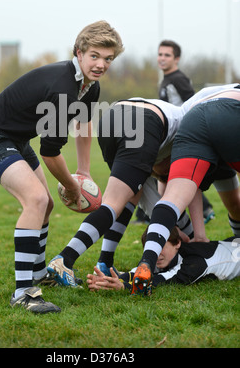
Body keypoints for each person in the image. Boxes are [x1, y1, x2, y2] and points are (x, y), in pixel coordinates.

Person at [0, 20, 124, 313]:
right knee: (37, 199)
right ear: (79, 52)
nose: (101, 64)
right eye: (94, 55)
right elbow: (51, 152)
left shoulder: (90, 87)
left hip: (18, 140)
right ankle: (22, 292)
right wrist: (72, 186)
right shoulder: (63, 87)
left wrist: (84, 173)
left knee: (48, 205)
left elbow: (83, 125)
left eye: (108, 59)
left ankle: (41, 273)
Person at [47, 84, 240, 287]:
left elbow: (156, 205)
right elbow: (187, 191)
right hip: (145, 122)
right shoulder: (189, 125)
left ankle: (104, 261)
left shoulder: (193, 115)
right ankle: (65, 259)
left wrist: (183, 234)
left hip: (112, 118)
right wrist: (195, 236)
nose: (162, 176)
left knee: (127, 197)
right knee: (115, 202)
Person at [132, 84, 240, 296]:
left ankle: (147, 261)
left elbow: (180, 188)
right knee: (233, 201)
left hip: (195, 119)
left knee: (173, 197)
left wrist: (199, 236)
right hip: (228, 114)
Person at [134, 39, 214, 224]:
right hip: (170, 134)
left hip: (179, 135)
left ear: (176, 59)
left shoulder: (178, 79)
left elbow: (193, 104)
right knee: (165, 174)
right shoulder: (167, 79)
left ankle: (153, 216)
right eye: (160, 54)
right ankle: (154, 216)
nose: (162, 58)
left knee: (163, 172)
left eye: (167, 55)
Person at [86, 227, 240, 293]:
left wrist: (124, 287)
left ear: (178, 243)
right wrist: (108, 279)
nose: (156, 254)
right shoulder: (166, 256)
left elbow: (164, 280)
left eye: (161, 248)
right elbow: (139, 272)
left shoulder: (196, 262)